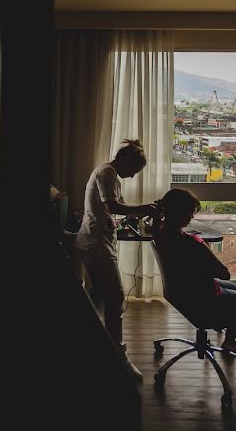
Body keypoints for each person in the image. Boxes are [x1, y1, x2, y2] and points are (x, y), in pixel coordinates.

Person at [151, 188, 236, 383]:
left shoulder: (160, 233)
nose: (191, 217)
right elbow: (223, 273)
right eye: (190, 213)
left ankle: (230, 341)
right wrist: (202, 248)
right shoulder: (191, 243)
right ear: (180, 213)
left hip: (183, 293)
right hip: (206, 300)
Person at [73, 138, 160, 382]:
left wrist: (139, 210)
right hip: (95, 245)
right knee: (115, 298)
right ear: (126, 159)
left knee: (98, 298)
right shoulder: (107, 172)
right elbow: (112, 206)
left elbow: (113, 208)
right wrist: (143, 208)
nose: (132, 176)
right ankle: (117, 357)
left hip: (97, 242)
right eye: (134, 170)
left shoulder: (108, 174)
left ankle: (97, 349)